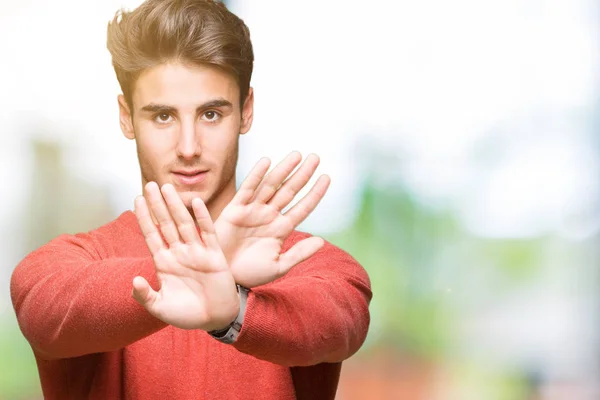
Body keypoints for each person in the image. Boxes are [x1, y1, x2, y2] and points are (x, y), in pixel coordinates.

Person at [10, 0, 372, 399]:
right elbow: (43, 312)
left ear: (246, 111)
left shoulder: (310, 264)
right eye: (163, 116)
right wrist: (192, 269)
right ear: (126, 117)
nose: (188, 147)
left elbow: (341, 324)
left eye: (211, 114)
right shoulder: (66, 265)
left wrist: (231, 309)